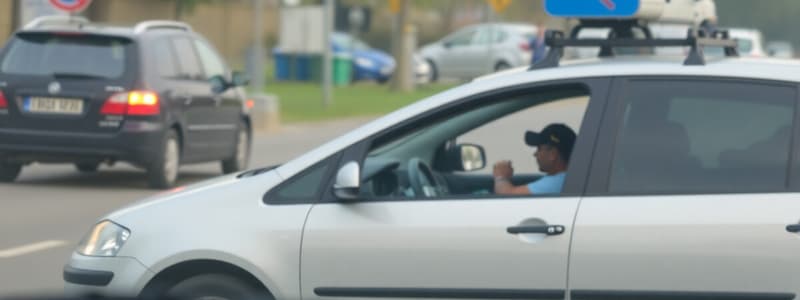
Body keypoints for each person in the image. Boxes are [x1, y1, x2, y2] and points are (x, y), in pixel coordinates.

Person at [493, 123, 576, 195]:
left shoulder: (557, 182)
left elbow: (508, 195)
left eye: (539, 149)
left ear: (552, 154)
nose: (535, 154)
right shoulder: (567, 178)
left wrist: (501, 176)